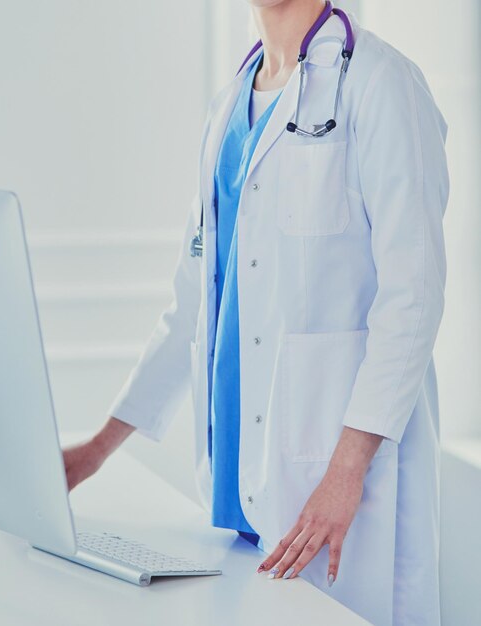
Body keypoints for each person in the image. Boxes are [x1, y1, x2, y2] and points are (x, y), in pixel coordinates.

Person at [63, 1, 449, 624]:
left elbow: (415, 295)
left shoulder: (380, 85)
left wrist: (345, 473)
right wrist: (97, 449)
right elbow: (196, 297)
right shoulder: (228, 107)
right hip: (246, 485)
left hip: (339, 487)